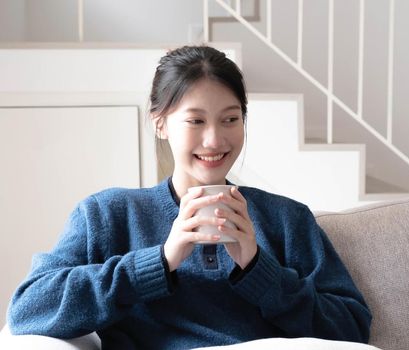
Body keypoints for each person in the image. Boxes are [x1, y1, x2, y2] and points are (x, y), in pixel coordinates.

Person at [7, 45, 372, 349]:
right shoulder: (108, 214)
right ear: (160, 122)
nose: (214, 140)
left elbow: (352, 329)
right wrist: (160, 261)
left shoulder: (286, 219)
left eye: (230, 119)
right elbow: (28, 310)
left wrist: (258, 269)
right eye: (195, 121)